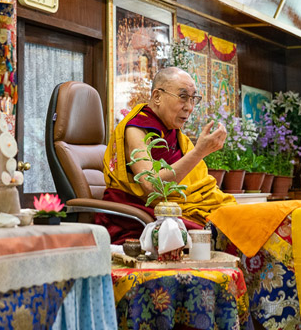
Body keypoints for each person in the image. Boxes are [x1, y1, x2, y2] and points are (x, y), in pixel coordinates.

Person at [97, 66, 236, 244]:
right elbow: (152, 186)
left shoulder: (176, 135)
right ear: (157, 97)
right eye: (183, 97)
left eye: (193, 99)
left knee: (238, 218)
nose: (189, 107)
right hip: (141, 217)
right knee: (223, 231)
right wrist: (199, 152)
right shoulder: (135, 129)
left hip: (180, 210)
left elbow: (197, 187)